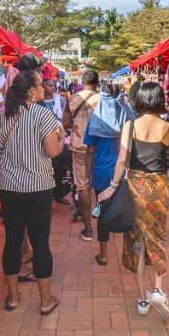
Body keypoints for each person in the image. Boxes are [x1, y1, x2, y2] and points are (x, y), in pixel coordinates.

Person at [99, 82, 169, 319]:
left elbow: (121, 160)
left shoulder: (130, 125)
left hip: (135, 188)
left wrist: (113, 186)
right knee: (157, 238)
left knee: (136, 240)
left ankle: (143, 298)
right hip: (159, 187)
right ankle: (158, 290)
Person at [0, 70, 64, 316]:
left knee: (12, 240)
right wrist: (61, 140)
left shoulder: (2, 114)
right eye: (41, 84)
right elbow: (53, 152)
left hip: (9, 187)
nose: (45, 88)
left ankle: (13, 297)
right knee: (40, 242)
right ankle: (45, 300)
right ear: (31, 91)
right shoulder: (44, 115)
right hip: (38, 187)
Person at [84, 84, 133, 266]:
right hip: (126, 172)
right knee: (127, 209)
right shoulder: (128, 117)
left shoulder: (96, 119)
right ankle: (130, 251)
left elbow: (90, 150)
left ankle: (103, 254)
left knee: (103, 212)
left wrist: (88, 175)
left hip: (102, 173)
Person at [65, 70, 101, 242]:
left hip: (79, 146)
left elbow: (65, 122)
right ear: (97, 83)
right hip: (99, 146)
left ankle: (88, 229)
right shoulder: (102, 99)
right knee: (100, 184)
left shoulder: (73, 98)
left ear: (82, 81)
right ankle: (103, 225)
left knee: (82, 185)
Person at [40, 79, 72, 205]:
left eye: (53, 85)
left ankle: (58, 194)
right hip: (43, 137)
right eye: (48, 85)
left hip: (58, 135)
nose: (51, 88)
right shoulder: (39, 101)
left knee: (57, 166)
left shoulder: (61, 100)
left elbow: (65, 117)